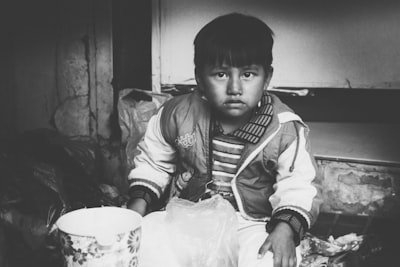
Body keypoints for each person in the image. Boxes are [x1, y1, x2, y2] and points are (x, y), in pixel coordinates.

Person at [127, 13, 322, 267]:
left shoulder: (283, 129)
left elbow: (299, 184)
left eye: (248, 74)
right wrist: (136, 210)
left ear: (267, 78)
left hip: (251, 224)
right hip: (189, 215)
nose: (234, 88)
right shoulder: (176, 115)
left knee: (272, 258)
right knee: (145, 237)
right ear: (199, 78)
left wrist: (285, 227)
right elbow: (154, 163)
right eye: (220, 74)